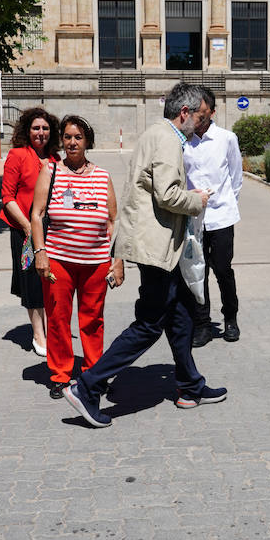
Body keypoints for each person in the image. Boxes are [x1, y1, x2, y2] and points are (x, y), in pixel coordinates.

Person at [63, 83, 225, 428]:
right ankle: (87, 386)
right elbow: (168, 194)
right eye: (198, 116)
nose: (199, 123)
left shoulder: (155, 134)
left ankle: (189, 385)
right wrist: (197, 200)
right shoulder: (167, 139)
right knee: (150, 324)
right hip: (156, 247)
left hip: (156, 244)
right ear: (184, 112)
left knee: (181, 315)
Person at [31, 115, 121, 399]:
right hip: (58, 259)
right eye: (68, 137)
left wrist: (116, 260)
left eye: (78, 137)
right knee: (58, 318)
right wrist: (40, 252)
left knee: (92, 319)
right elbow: (37, 214)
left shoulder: (102, 176)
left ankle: (93, 372)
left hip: (96, 261)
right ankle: (60, 374)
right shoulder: (51, 170)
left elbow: (113, 220)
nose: (72, 142)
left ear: (87, 142)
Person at [183, 87, 243, 346]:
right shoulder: (183, 140)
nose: (198, 118)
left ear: (213, 112)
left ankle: (230, 318)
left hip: (221, 216)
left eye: (203, 114)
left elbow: (236, 176)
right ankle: (202, 324)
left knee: (222, 269)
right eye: (194, 113)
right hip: (193, 217)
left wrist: (227, 203)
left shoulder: (227, 138)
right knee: (198, 271)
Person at [0, 107, 59, 356]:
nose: (41, 133)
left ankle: (53, 329)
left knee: (52, 280)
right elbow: (6, 196)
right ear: (27, 130)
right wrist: (27, 226)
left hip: (53, 230)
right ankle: (38, 334)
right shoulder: (17, 155)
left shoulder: (56, 159)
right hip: (25, 228)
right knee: (33, 281)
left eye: (45, 128)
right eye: (36, 128)